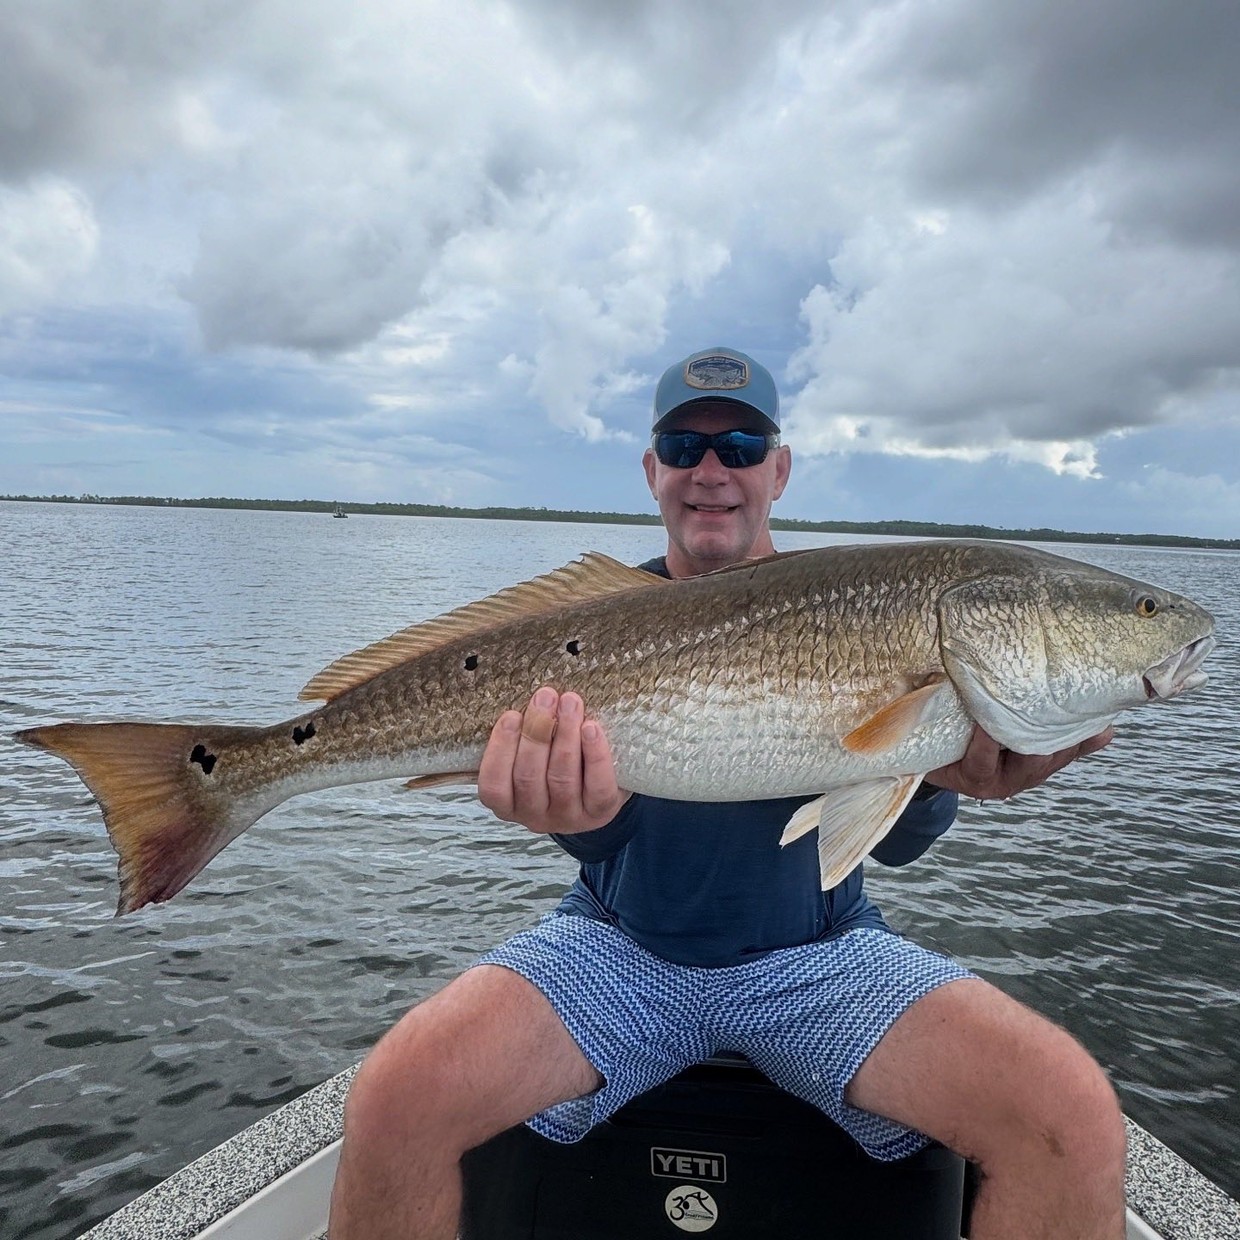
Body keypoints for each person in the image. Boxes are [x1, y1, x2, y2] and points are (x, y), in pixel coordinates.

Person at [328, 347, 1125, 1240]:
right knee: (395, 1095)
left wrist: (948, 775)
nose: (714, 470)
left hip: (816, 956)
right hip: (618, 947)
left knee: (1072, 1117)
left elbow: (890, 842)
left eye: (743, 446)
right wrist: (576, 821)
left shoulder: (867, 604)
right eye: (685, 445)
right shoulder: (586, 626)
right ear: (652, 471)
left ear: (778, 471)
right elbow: (603, 841)